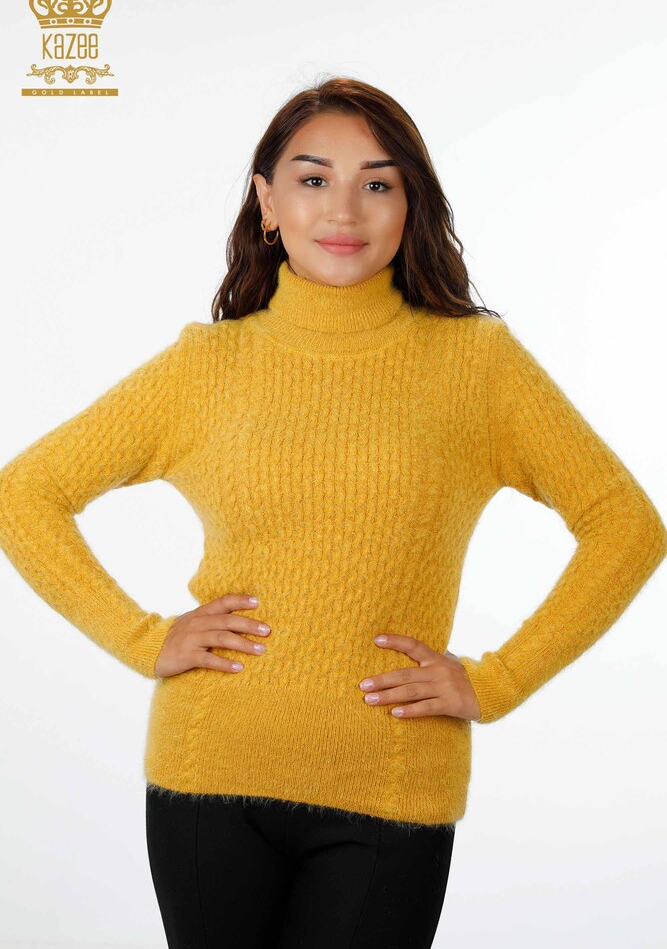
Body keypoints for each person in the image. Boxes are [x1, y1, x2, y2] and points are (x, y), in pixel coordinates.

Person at [0, 77, 664, 949]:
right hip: (209, 773)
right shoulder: (205, 365)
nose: (344, 209)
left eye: (377, 182)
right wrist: (141, 637)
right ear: (267, 202)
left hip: (390, 783)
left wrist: (497, 680)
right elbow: (24, 494)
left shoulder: (478, 363)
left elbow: (625, 525)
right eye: (313, 179)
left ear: (410, 204)